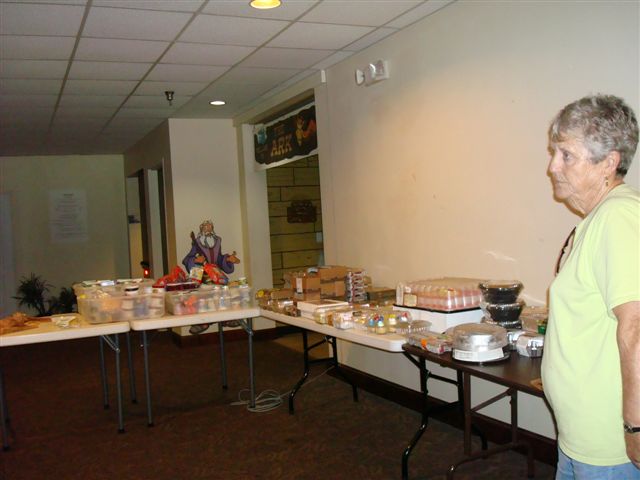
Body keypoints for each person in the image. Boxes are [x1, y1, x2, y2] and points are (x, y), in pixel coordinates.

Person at [542, 94, 640, 479]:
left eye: (566, 155)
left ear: (608, 163)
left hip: (608, 446)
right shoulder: (596, 220)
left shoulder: (619, 216)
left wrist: (636, 428)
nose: (553, 166)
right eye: (555, 153)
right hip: (580, 437)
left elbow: (635, 328)